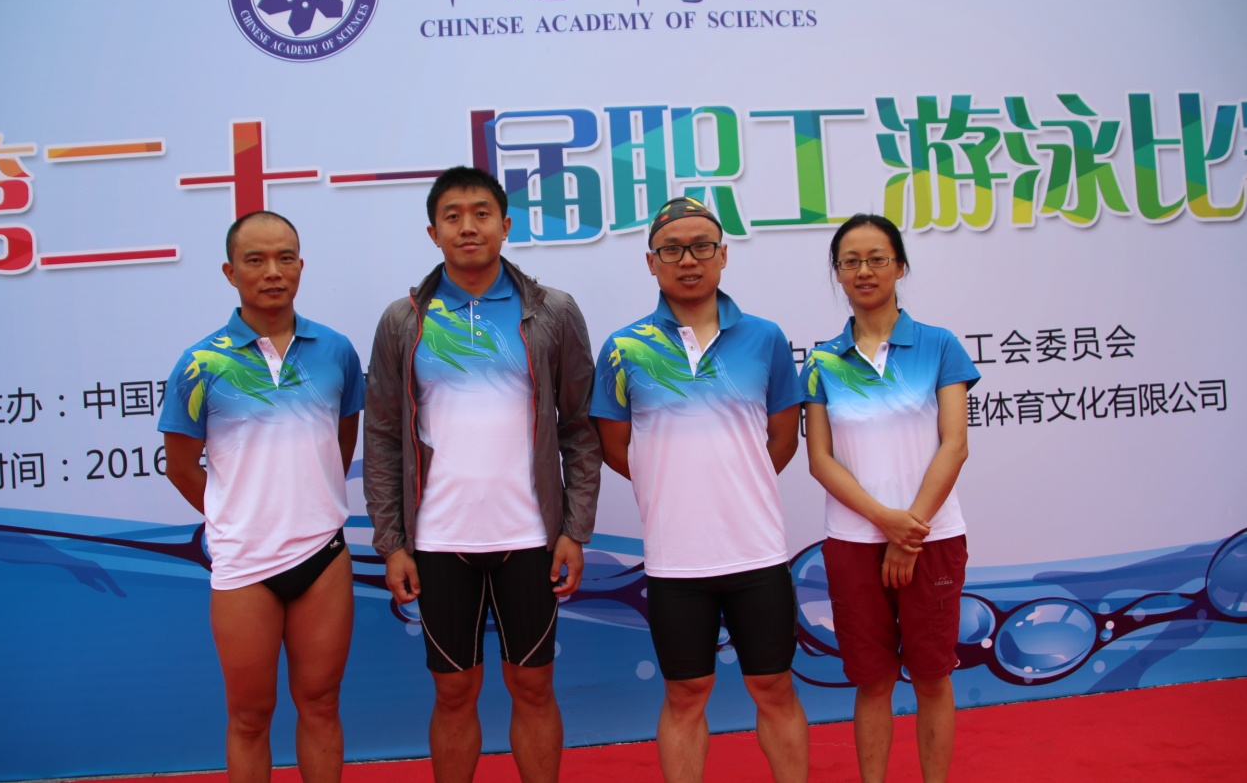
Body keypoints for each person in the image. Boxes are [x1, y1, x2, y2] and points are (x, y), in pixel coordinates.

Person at [363, 166, 601, 783]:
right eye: (453, 216)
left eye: (481, 213)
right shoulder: (403, 320)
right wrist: (392, 543)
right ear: (433, 232)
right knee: (453, 693)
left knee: (534, 686)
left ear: (505, 224)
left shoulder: (551, 312)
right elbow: (383, 435)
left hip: (530, 538)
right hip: (439, 540)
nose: (468, 226)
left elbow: (579, 427)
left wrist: (574, 529)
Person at [590, 196, 809, 783]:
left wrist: (735, 481)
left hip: (757, 553)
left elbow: (782, 437)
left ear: (723, 255)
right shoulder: (624, 348)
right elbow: (615, 447)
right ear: (651, 262)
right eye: (672, 250)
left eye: (701, 247)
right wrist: (675, 484)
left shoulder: (764, 338)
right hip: (676, 559)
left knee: (774, 686)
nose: (688, 260)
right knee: (686, 693)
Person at [158, 211, 364, 783]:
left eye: (285, 258)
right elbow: (180, 467)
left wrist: (307, 503)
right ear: (230, 272)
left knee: (321, 703)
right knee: (250, 717)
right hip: (245, 565)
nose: (273, 271)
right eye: (256, 260)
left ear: (301, 265)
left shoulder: (336, 351)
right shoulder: (201, 364)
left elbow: (341, 441)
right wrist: (239, 516)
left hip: (323, 555)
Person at [798, 213, 980, 783]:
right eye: (850, 261)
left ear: (900, 266)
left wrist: (911, 529)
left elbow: (954, 445)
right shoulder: (823, 361)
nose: (864, 271)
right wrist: (886, 522)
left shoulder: (939, 346)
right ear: (837, 273)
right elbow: (820, 460)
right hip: (853, 541)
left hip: (933, 538)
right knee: (872, 680)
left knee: (931, 676)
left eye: (877, 258)